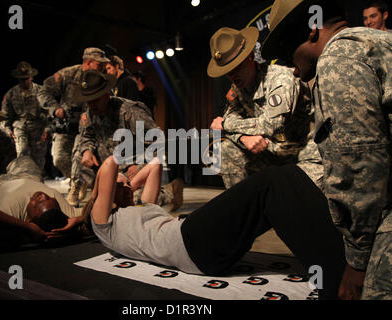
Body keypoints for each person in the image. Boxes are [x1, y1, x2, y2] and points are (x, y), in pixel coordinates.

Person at [262, 0, 392, 300]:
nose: (290, 69)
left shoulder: (338, 59)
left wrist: (358, 263)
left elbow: (361, 166)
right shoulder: (374, 43)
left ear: (311, 32)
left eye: (286, 53)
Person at [87, 155, 345, 300]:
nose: (125, 188)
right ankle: (339, 278)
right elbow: (109, 164)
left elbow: (154, 165)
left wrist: (129, 186)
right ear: (103, 194)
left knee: (274, 198)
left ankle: (333, 268)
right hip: (189, 244)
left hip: (198, 245)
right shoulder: (105, 225)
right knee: (274, 181)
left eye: (126, 185)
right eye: (118, 186)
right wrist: (109, 187)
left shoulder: (142, 205)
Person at [208, 27, 322, 189]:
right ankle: (245, 210)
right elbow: (223, 126)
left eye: (237, 67)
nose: (233, 75)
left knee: (299, 205)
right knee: (228, 150)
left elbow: (272, 125)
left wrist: (226, 124)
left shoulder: (280, 78)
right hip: (270, 153)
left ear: (251, 57)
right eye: (228, 71)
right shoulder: (237, 89)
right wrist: (243, 138)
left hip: (303, 155)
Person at [74, 69, 184, 212]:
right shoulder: (89, 114)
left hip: (133, 166)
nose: (92, 106)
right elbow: (86, 136)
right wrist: (86, 150)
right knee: (104, 207)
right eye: (89, 101)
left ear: (107, 96)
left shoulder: (130, 112)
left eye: (96, 100)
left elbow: (157, 140)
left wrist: (139, 164)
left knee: (135, 203)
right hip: (109, 169)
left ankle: (171, 190)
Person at [0, 155, 86, 245]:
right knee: (24, 159)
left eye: (38, 203)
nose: (43, 195)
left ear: (29, 220)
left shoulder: (9, 224)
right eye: (51, 199)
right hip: (27, 177)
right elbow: (105, 214)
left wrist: (27, 228)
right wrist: (80, 219)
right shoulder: (69, 217)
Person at [37, 47, 110, 203]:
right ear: (88, 62)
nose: (103, 67)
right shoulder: (68, 74)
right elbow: (43, 91)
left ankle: (75, 188)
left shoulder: (101, 78)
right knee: (58, 159)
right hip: (65, 125)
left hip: (86, 126)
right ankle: (81, 180)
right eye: (99, 64)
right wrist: (55, 108)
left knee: (78, 155)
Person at [2, 61, 50, 170]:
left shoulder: (41, 91)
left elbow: (49, 111)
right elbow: (5, 115)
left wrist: (48, 129)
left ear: (31, 77)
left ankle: (37, 182)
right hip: (20, 127)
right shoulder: (11, 93)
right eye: (21, 79)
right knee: (22, 154)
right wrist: (7, 129)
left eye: (26, 78)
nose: (24, 81)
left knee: (38, 158)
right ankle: (24, 181)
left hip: (38, 127)